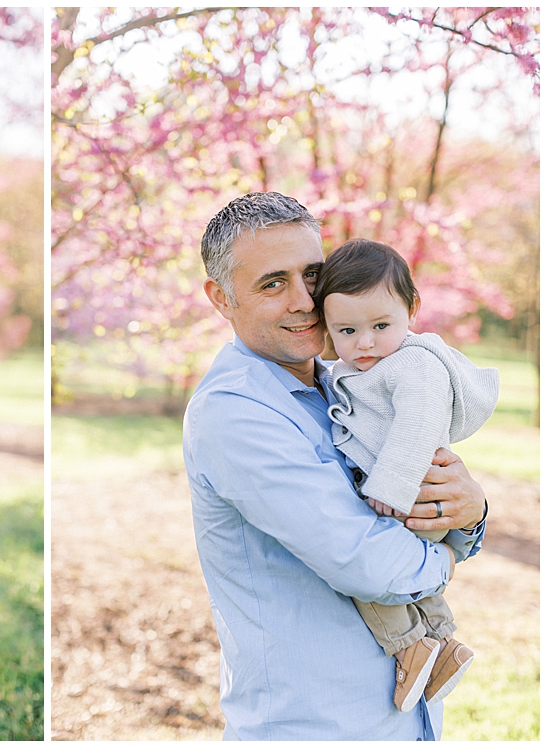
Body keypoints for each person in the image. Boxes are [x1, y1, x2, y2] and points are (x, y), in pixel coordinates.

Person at [182, 192, 488, 740]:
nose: (304, 300)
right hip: (318, 726)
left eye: (313, 275)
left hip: (403, 721)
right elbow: (366, 562)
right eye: (273, 283)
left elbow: (432, 493)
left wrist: (472, 510)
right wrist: (445, 557)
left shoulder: (349, 385)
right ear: (221, 299)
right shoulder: (234, 413)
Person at [314, 239, 498, 712]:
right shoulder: (362, 365)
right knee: (406, 576)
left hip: (409, 495)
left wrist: (389, 490)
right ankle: (444, 643)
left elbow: (417, 427)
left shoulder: (414, 363)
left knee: (367, 574)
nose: (365, 343)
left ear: (411, 310)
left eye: (380, 325)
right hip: (414, 497)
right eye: (347, 330)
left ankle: (408, 646)